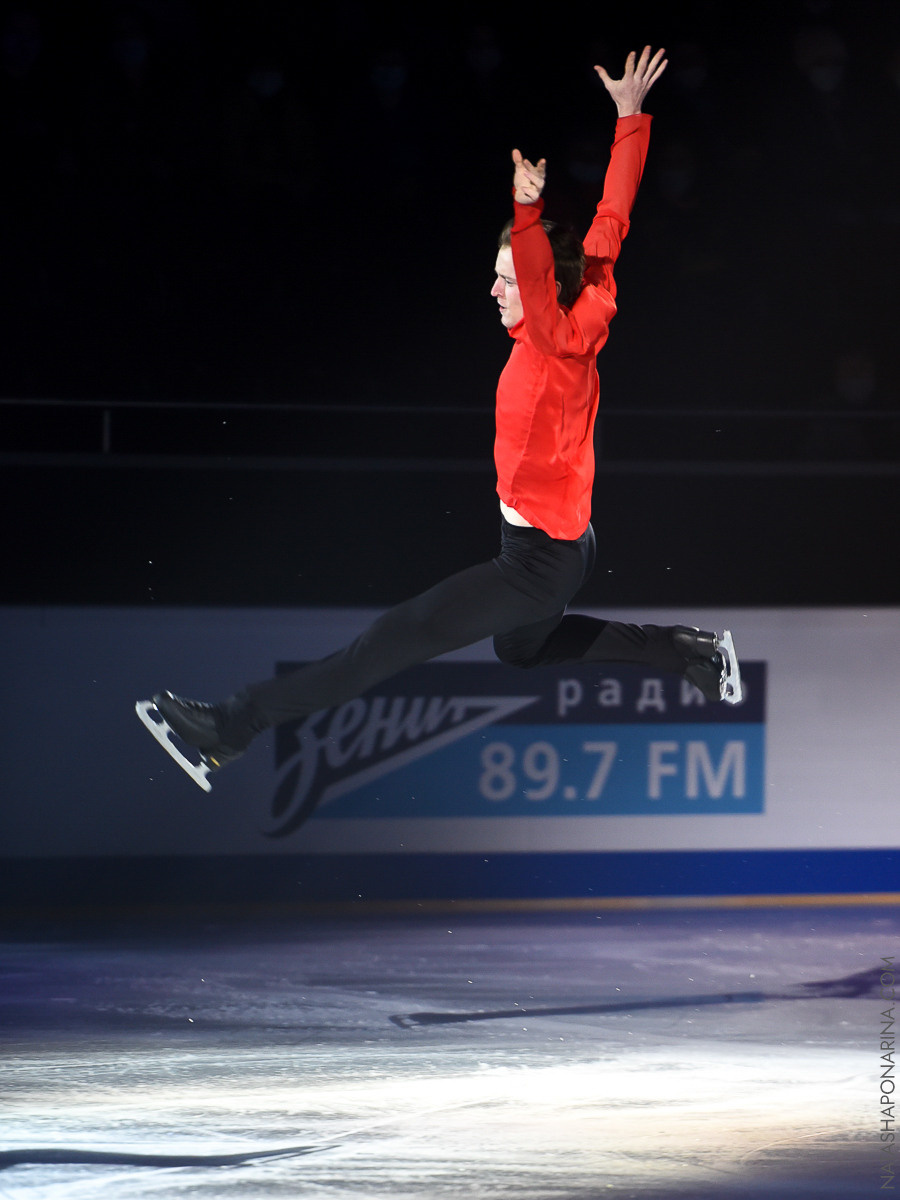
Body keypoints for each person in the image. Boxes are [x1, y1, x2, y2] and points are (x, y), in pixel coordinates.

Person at [140, 46, 741, 787]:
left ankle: (229, 728)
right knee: (521, 652)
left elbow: (543, 260)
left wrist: (525, 210)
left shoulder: (555, 339)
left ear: (538, 283)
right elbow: (613, 214)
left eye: (504, 280)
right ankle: (689, 652)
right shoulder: (587, 294)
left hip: (536, 564)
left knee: (381, 647)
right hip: (564, 547)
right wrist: (628, 117)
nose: (493, 292)